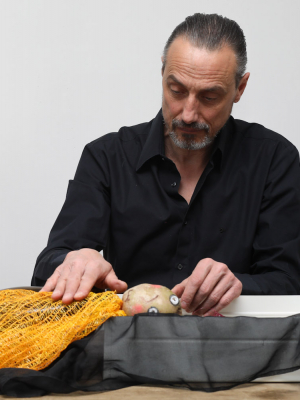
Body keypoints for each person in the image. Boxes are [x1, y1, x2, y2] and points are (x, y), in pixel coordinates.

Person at [31, 13, 300, 316]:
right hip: (126, 342)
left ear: (240, 88)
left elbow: (288, 281)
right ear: (162, 73)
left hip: (229, 343)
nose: (188, 114)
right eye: (177, 90)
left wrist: (237, 284)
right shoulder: (106, 156)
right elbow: (46, 267)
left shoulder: (274, 160)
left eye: (209, 97)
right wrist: (76, 260)